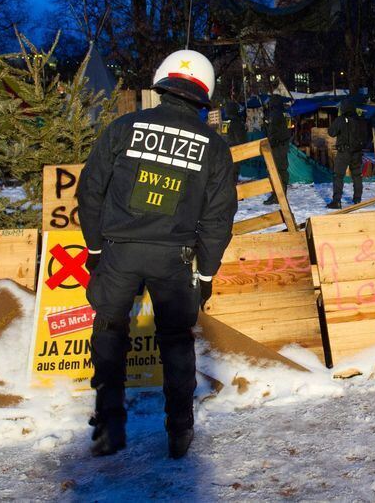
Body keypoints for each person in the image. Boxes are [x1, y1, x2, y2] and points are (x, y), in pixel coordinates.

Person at [76, 49, 237, 459]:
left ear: (163, 82)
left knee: (109, 329)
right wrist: (206, 274)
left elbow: (90, 190)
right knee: (176, 341)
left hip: (119, 253)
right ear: (204, 93)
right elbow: (218, 219)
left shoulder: (123, 128)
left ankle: (108, 425)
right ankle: (179, 431)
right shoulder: (214, 147)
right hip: (174, 260)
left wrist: (95, 248)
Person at [326, 98, 368, 209]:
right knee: (357, 176)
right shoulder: (360, 119)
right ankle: (357, 199)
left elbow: (331, 132)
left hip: (344, 152)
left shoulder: (340, 119)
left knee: (338, 176)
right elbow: (366, 136)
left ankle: (337, 201)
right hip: (357, 152)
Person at [262, 95, 291, 204]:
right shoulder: (282, 114)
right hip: (282, 146)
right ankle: (280, 194)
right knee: (281, 170)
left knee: (275, 171)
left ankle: (277, 195)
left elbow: (272, 132)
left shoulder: (275, 115)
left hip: (277, 147)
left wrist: (271, 143)